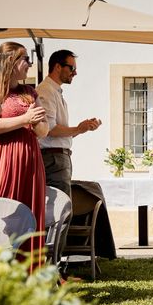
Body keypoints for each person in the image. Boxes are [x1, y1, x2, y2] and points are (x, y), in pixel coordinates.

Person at [0, 41, 49, 269]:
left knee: (30, 214)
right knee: (4, 211)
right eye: (25, 59)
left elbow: (44, 130)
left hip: (30, 161)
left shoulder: (29, 92)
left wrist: (36, 124)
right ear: (11, 61)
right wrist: (24, 120)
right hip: (4, 159)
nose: (29, 64)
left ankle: (29, 274)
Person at [37, 50, 102, 198]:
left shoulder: (53, 91)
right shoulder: (46, 91)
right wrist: (78, 128)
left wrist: (81, 129)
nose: (75, 73)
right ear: (58, 67)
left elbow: (57, 132)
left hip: (56, 159)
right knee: (59, 211)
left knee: (60, 209)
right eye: (72, 68)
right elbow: (49, 129)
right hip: (53, 159)